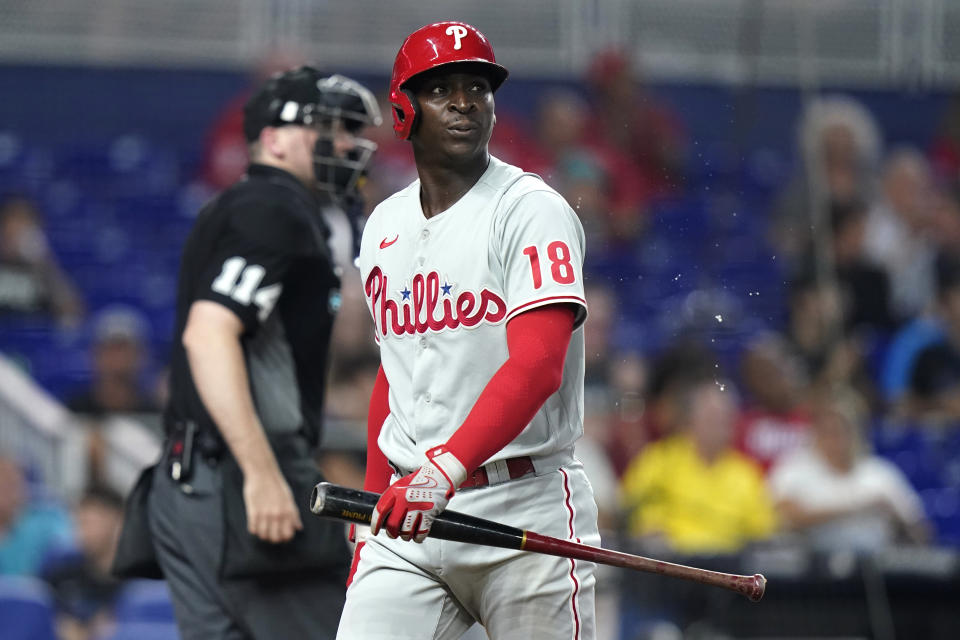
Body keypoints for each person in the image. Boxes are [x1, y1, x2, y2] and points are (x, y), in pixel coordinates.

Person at [342, 22, 600, 640]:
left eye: (477, 88)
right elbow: (395, 377)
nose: (463, 102)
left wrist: (444, 471)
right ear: (403, 109)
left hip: (525, 503)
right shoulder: (383, 225)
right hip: (411, 521)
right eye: (442, 89)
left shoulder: (530, 210)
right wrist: (376, 512)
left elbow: (539, 366)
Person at [140, 67, 381, 640]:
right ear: (273, 138)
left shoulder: (251, 205)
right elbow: (209, 332)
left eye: (350, 132)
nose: (346, 145)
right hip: (238, 483)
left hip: (191, 479)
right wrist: (261, 472)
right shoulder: (273, 208)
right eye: (327, 128)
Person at [620, 378, 776, 554]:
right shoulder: (659, 460)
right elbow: (629, 509)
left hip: (726, 566)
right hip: (669, 562)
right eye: (711, 417)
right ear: (690, 420)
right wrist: (648, 527)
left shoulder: (746, 473)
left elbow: (762, 532)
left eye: (724, 419)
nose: (718, 426)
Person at [768, 389, 930, 551]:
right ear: (815, 431)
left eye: (843, 429)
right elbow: (787, 518)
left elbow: (920, 530)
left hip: (877, 565)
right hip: (813, 566)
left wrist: (898, 521)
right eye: (828, 430)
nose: (836, 439)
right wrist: (858, 507)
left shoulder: (880, 472)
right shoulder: (793, 469)